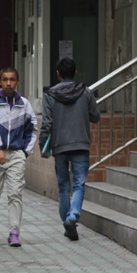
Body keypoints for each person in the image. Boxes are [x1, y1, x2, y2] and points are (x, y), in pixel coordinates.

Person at [39, 57, 101, 241]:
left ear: (57, 74)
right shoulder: (86, 92)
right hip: (81, 144)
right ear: (75, 73)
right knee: (79, 184)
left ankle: (67, 222)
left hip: (59, 145)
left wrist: (43, 145)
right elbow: (95, 117)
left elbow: (46, 124)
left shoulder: (50, 95)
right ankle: (73, 217)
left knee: (63, 186)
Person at [0, 67, 37, 247]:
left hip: (16, 154)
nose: (9, 83)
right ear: (0, 81)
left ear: (18, 81)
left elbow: (32, 128)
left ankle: (14, 232)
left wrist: (24, 152)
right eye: (5, 79)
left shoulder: (25, 104)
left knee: (15, 193)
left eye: (12, 79)